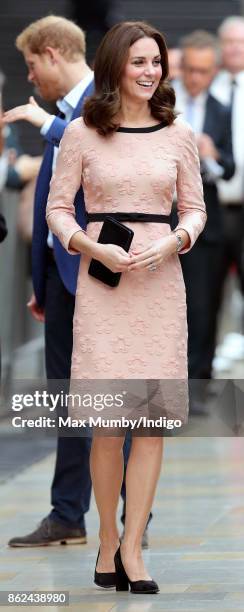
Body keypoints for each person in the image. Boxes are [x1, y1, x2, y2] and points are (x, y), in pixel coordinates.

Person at [46, 21, 206, 594]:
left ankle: (135, 549)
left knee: (152, 423)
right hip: (103, 284)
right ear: (116, 66)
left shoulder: (178, 133)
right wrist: (91, 247)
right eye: (139, 62)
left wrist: (172, 241)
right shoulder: (81, 135)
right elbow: (58, 210)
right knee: (109, 426)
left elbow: (195, 211)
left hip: (161, 283)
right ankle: (107, 543)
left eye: (156, 62)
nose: (150, 72)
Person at [3, 14, 146, 553]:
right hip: (65, 279)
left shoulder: (108, 101)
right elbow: (51, 204)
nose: (31, 76)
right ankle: (68, 513)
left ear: (53, 54)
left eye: (32, 64)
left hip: (104, 274)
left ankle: (134, 513)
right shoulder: (63, 112)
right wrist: (44, 280)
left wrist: (48, 127)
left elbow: (113, 155)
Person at [173, 31, 234, 406]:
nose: (196, 78)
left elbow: (229, 167)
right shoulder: (162, 104)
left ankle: (195, 386)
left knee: (201, 306)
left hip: (205, 222)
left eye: (204, 71)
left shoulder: (220, 110)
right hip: (161, 217)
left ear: (214, 72)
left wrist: (210, 153)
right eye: (190, 70)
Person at [210, 16, 244, 360]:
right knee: (209, 293)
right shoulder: (209, 89)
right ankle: (205, 371)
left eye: (241, 42)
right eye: (230, 41)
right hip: (215, 207)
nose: (235, 48)